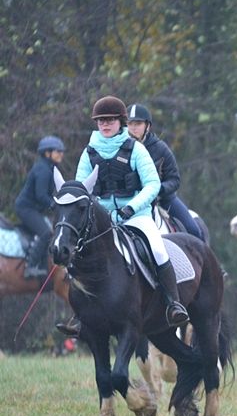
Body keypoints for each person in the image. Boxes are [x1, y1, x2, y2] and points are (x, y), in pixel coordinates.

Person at [57, 96, 188, 337]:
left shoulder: (136, 149)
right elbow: (80, 190)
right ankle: (79, 314)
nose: (105, 125)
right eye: (100, 121)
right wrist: (97, 210)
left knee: (158, 249)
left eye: (110, 120)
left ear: (121, 122)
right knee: (80, 254)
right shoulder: (89, 153)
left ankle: (173, 303)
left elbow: (152, 184)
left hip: (136, 215)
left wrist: (131, 207)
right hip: (103, 218)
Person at [126, 103, 204, 241]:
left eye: (137, 123)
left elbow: (174, 180)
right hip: (128, 201)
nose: (133, 127)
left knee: (194, 231)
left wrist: (158, 189)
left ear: (147, 126)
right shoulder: (119, 149)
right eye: (130, 123)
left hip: (162, 200)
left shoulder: (160, 149)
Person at [14, 136, 64, 278]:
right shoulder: (43, 170)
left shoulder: (49, 167)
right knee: (46, 233)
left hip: (33, 208)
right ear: (47, 153)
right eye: (57, 151)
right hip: (26, 209)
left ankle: (42, 266)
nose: (61, 153)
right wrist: (54, 205)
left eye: (62, 151)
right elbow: (41, 196)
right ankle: (30, 267)